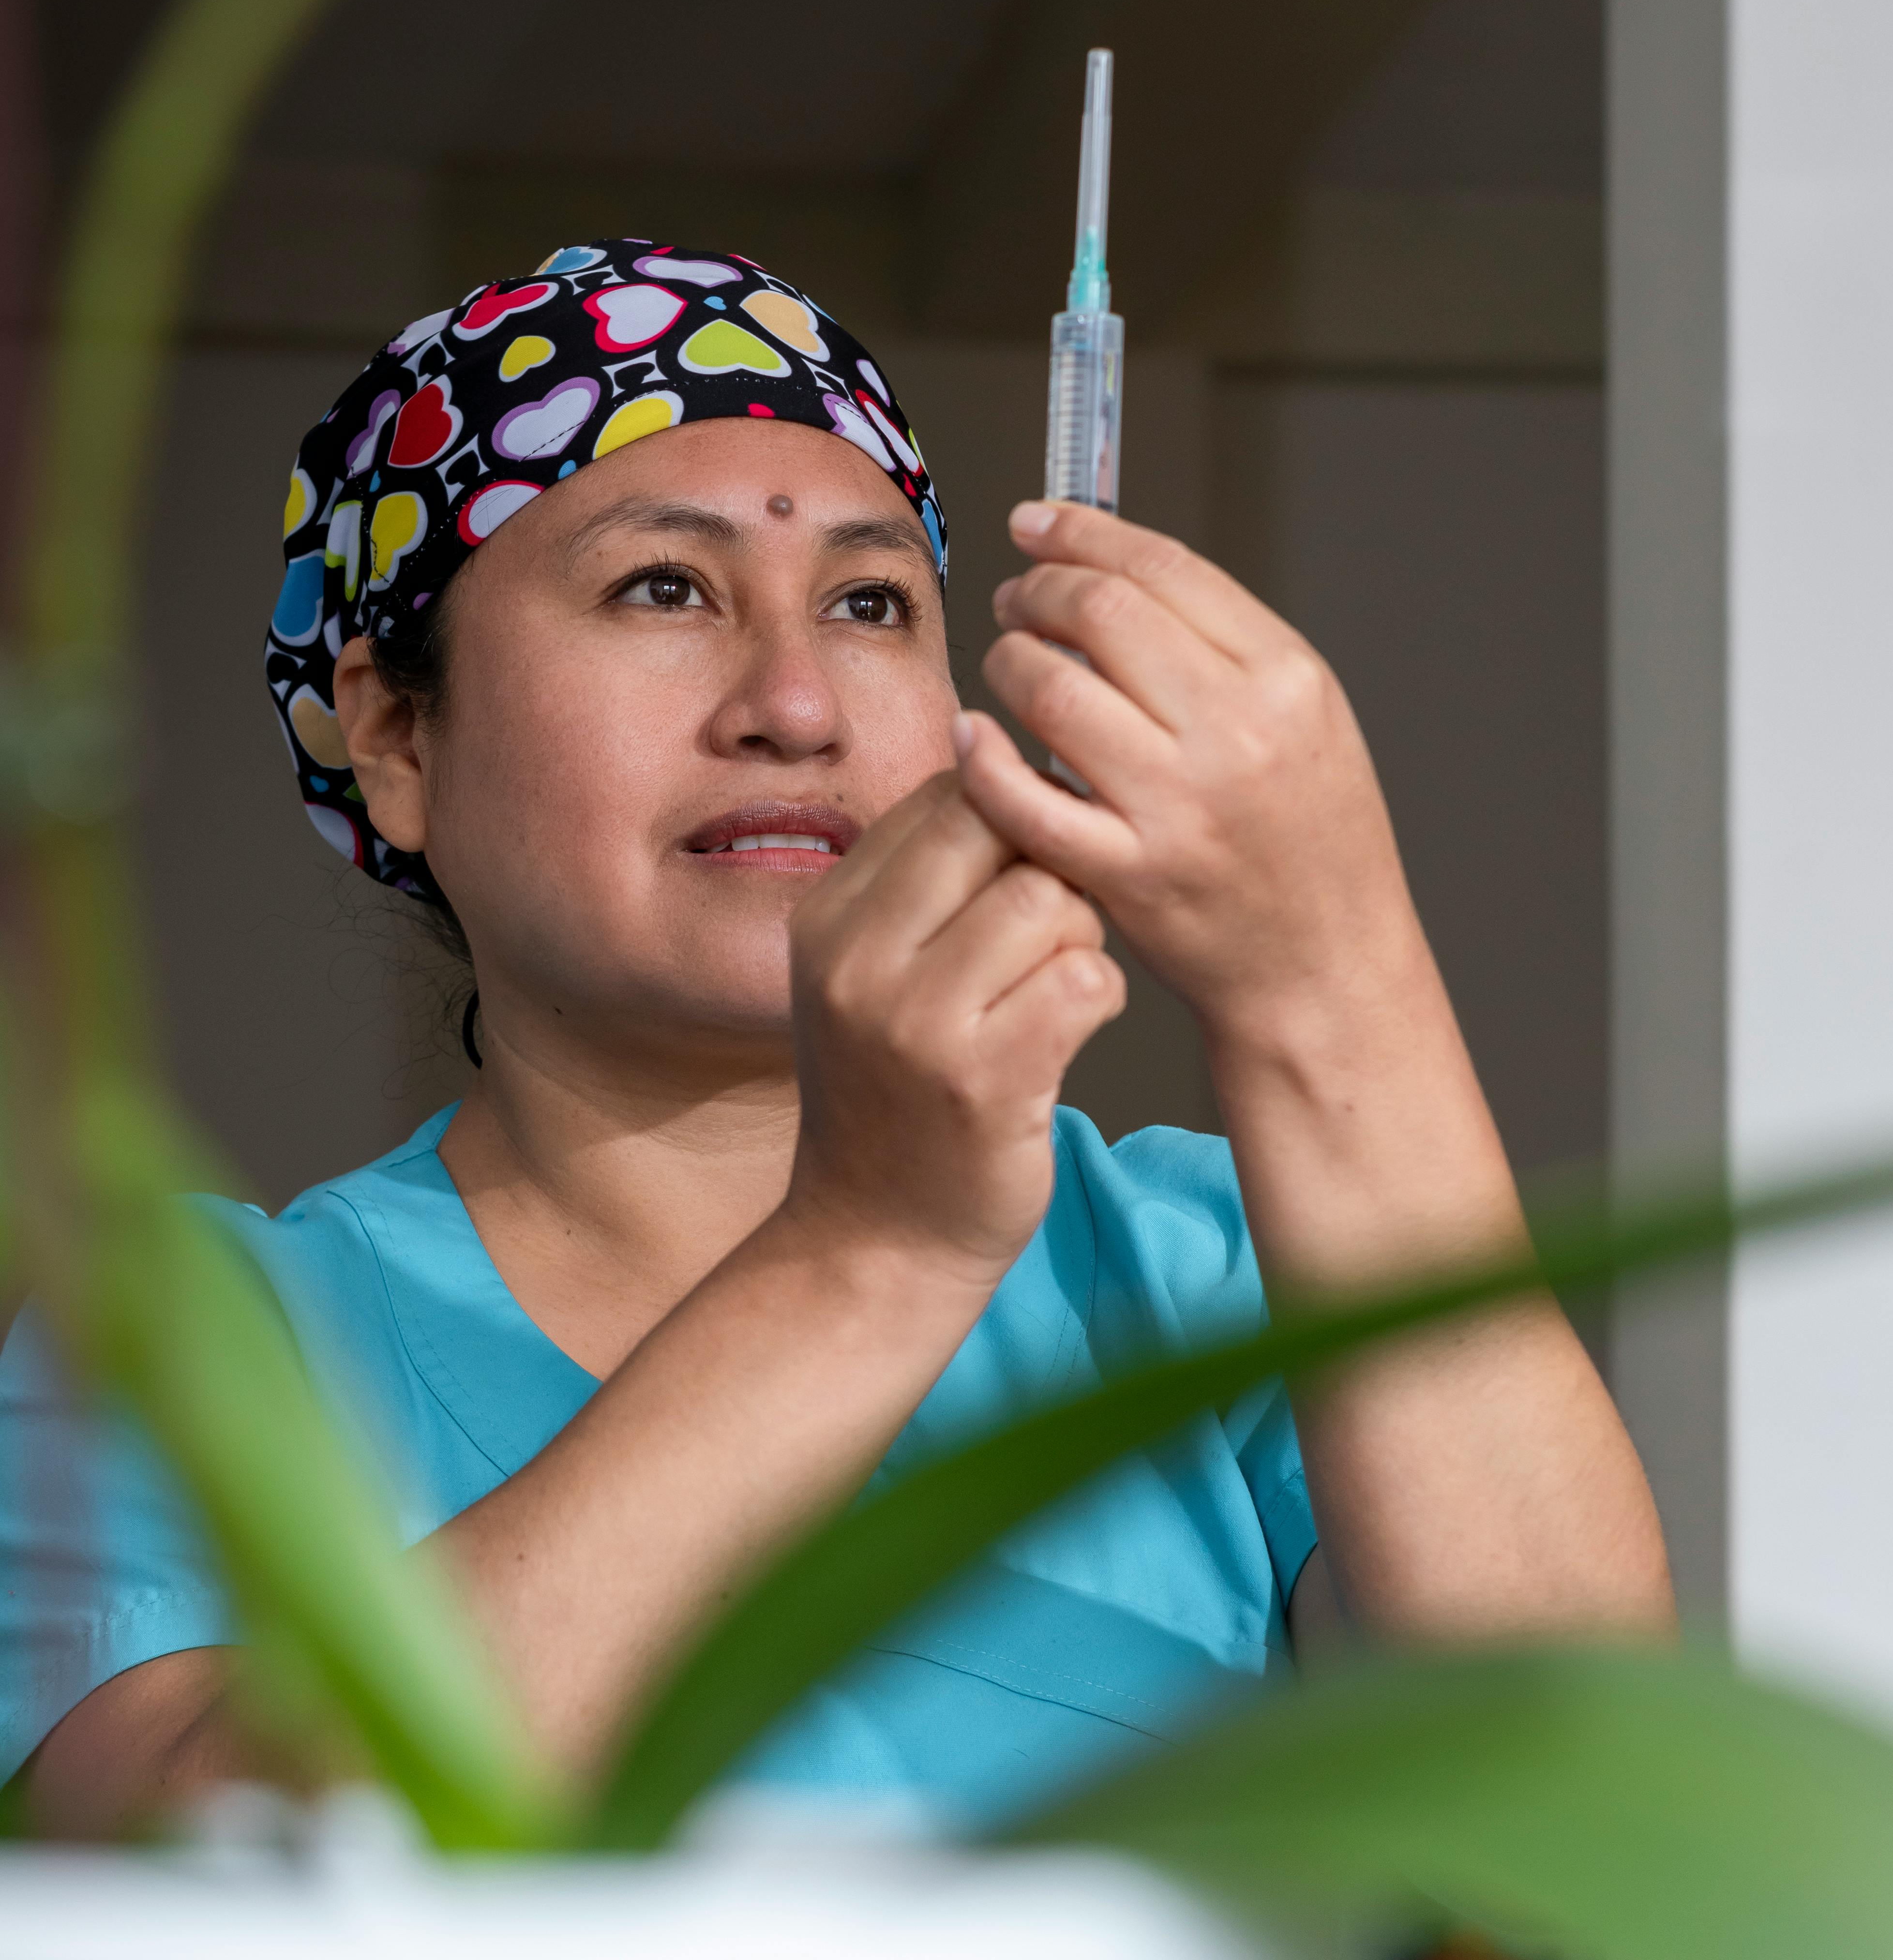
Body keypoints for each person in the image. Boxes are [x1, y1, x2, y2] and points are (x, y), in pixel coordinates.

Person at [2, 240, 1673, 1837]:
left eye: (873, 603)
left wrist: (1333, 969)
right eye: (665, 587)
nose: (795, 705)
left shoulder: (1200, 1277)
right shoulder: (189, 1346)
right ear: (393, 735)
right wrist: (869, 1251)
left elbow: (1601, 1803)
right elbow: (219, 1865)